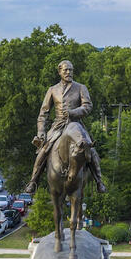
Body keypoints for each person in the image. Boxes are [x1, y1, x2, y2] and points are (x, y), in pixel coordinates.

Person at [24, 60, 107, 195]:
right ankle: (33, 180)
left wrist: (73, 112)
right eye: (65, 70)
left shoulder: (81, 87)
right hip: (58, 125)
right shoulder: (52, 90)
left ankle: (99, 181)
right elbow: (43, 113)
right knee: (44, 150)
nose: (68, 72)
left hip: (76, 125)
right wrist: (41, 131)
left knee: (90, 149)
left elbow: (87, 106)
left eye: (70, 70)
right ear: (59, 72)